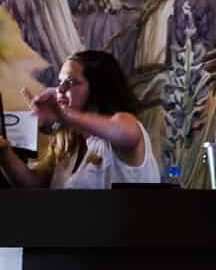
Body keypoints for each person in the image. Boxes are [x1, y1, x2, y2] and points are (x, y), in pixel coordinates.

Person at [0, 50, 159, 190]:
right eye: (60, 82)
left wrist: (64, 116)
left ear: (99, 88)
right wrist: (4, 151)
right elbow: (35, 186)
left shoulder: (123, 122)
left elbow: (126, 133)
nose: (60, 89)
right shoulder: (68, 139)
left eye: (70, 82)